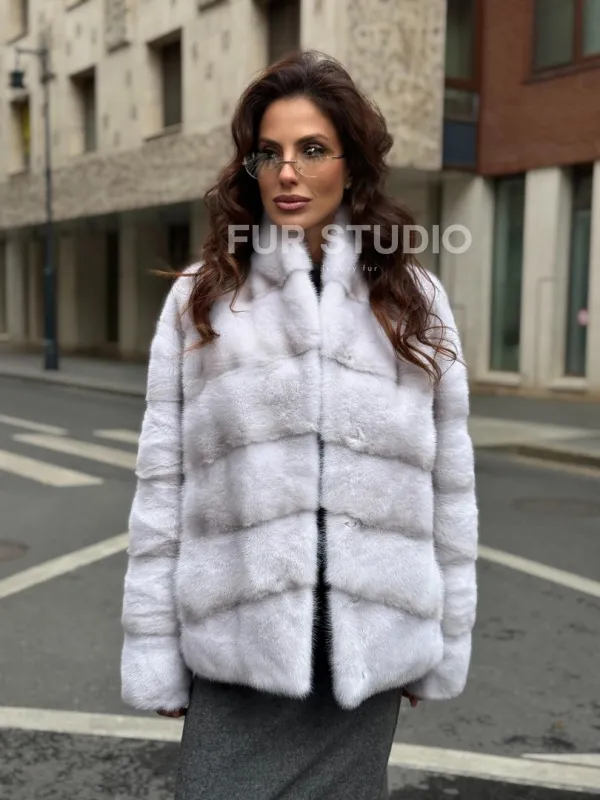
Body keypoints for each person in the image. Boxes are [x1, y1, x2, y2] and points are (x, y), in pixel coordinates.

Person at [120, 49, 479, 800]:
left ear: (352, 165)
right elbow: (162, 489)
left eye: (312, 149)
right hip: (238, 650)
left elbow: (449, 487)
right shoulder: (203, 300)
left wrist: (436, 639)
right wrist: (156, 651)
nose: (287, 172)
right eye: (269, 153)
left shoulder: (412, 299)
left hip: (363, 657)